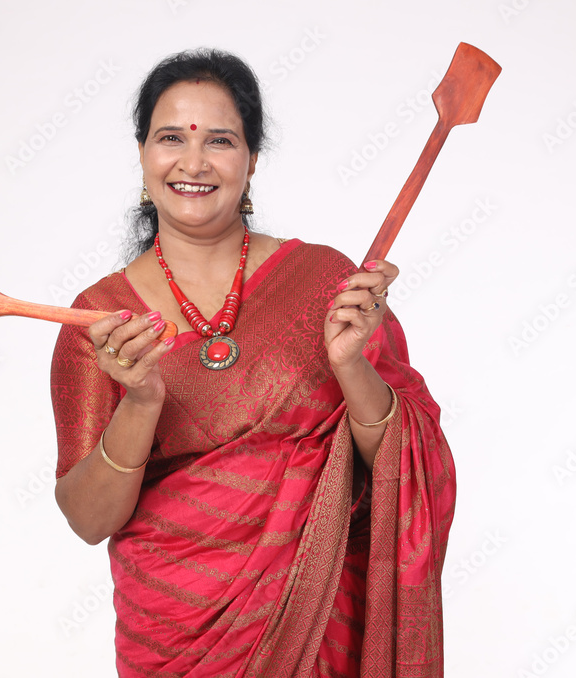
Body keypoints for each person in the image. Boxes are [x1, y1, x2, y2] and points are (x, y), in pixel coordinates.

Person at [50, 48, 456, 677]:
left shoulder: (324, 280)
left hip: (319, 627)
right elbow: (87, 518)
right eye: (169, 138)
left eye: (220, 140)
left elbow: (410, 468)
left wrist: (351, 367)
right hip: (173, 638)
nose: (193, 161)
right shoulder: (99, 320)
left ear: (252, 159)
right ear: (142, 155)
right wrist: (142, 400)